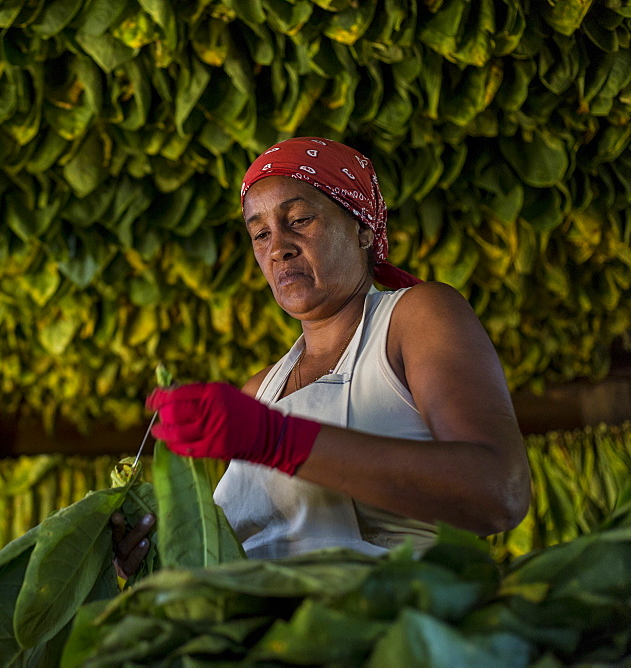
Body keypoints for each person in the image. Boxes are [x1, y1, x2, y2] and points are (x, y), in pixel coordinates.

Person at [112, 137, 530, 574]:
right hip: (269, 636)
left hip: (394, 622)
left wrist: (277, 440)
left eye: (300, 219)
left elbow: (499, 493)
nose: (278, 248)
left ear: (362, 229)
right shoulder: (259, 391)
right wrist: (154, 552)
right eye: (260, 233)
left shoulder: (413, 317)